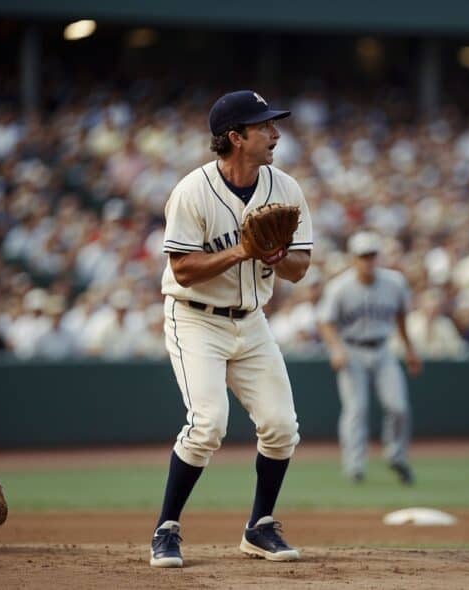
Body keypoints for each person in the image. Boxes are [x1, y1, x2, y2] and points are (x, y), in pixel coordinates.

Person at [150, 90, 313, 568]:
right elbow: (181, 270)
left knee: (282, 427)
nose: (275, 134)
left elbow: (300, 268)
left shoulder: (286, 188)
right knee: (208, 425)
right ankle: (166, 528)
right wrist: (243, 251)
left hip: (252, 321)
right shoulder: (191, 191)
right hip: (196, 318)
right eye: (264, 127)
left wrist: (276, 255)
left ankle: (260, 527)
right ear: (235, 138)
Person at [316, 231, 421, 485]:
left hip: (383, 348)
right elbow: (325, 322)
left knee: (398, 406)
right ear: (353, 259)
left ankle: (396, 457)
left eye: (372, 255)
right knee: (356, 409)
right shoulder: (340, 286)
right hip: (352, 349)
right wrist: (336, 348)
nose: (368, 261)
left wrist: (409, 349)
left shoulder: (394, 282)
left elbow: (401, 316)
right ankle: (355, 468)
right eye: (363, 256)